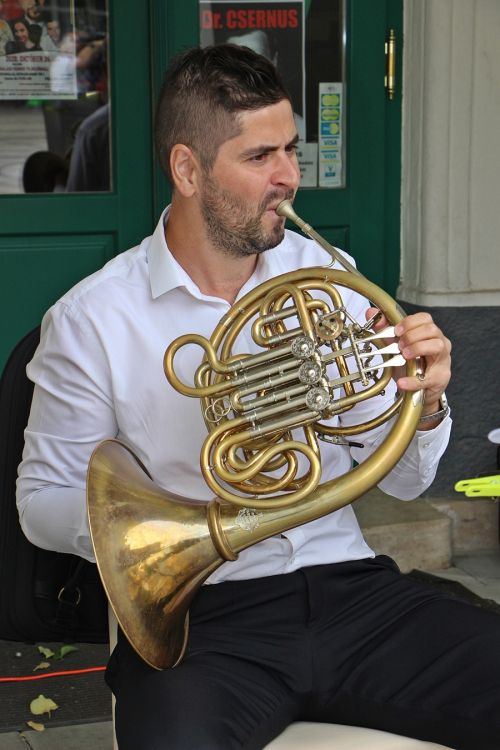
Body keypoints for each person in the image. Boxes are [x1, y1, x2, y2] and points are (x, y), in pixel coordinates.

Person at [16, 44, 500, 750]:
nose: (289, 177)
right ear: (188, 169)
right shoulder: (93, 318)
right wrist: (151, 523)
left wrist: (422, 405)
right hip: (206, 618)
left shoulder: (329, 277)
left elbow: (404, 481)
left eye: (291, 150)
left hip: (351, 590)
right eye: (260, 156)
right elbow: (40, 503)